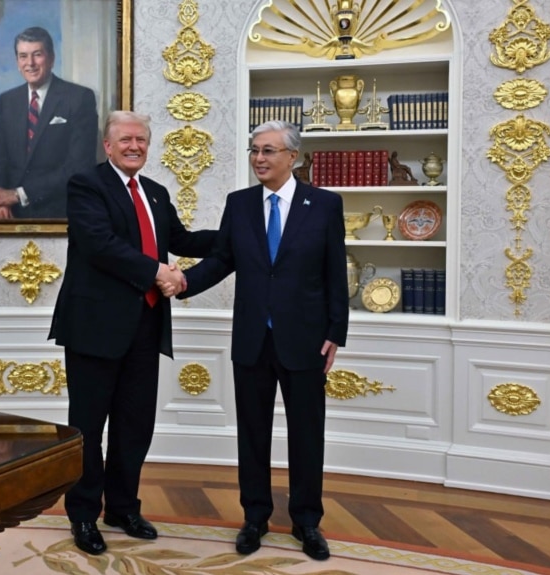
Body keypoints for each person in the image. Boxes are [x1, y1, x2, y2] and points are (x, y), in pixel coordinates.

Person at [173, 120, 348, 561]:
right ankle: (255, 517)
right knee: (252, 433)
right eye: (254, 150)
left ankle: (307, 521)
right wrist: (182, 283)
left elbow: (334, 272)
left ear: (293, 156)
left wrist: (335, 333)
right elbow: (222, 261)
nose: (259, 159)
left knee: (307, 434)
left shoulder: (324, 205)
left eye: (269, 151)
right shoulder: (241, 204)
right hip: (252, 337)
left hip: (306, 340)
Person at [48, 110, 217, 555]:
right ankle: (84, 515)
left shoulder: (157, 193)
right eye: (125, 139)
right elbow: (100, 245)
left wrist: (240, 233)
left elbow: (181, 239)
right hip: (94, 329)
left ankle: (122, 507)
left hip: (145, 325)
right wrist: (158, 273)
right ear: (108, 145)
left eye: (141, 139)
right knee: (88, 428)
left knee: (135, 424)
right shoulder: (87, 185)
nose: (135, 146)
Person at [0, 26, 98, 219]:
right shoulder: (8, 100)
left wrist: (18, 195)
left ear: (51, 58)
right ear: (17, 62)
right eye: (23, 56)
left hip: (52, 201)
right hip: (6, 198)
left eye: (37, 55)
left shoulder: (79, 98)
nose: (30, 63)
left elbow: (79, 167)